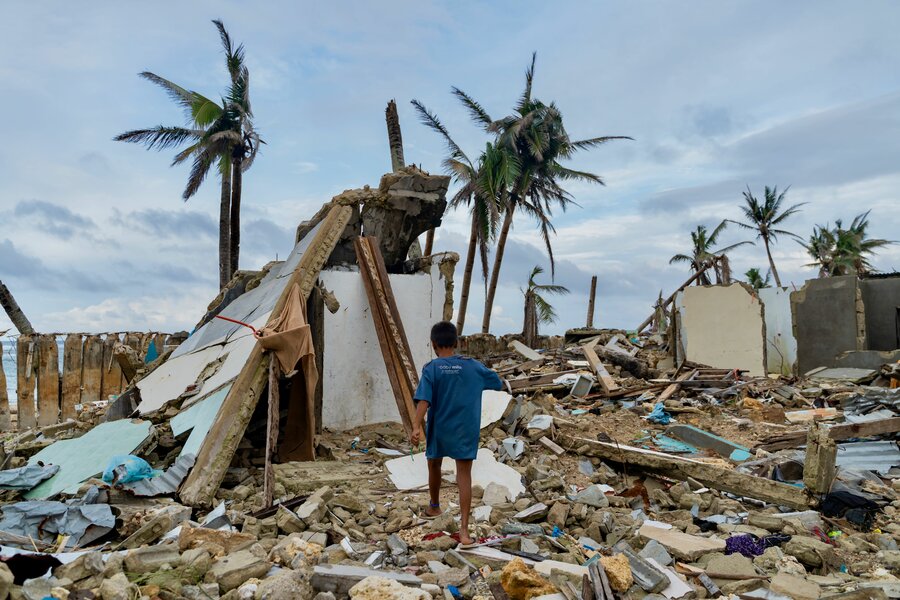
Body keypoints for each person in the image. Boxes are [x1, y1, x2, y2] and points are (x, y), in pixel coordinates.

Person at [410, 321, 506, 546]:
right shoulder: (473, 366)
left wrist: (416, 426)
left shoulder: (432, 368)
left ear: (433, 344)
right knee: (464, 474)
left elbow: (424, 400)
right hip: (465, 429)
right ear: (456, 342)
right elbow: (497, 383)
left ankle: (434, 506)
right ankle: (463, 530)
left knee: (434, 463)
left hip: (440, 428)